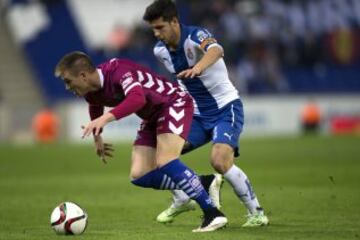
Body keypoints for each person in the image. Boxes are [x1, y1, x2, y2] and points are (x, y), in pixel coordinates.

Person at [54, 51, 227, 232]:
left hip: (172, 103)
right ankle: (202, 182)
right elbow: (95, 103)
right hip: (151, 115)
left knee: (166, 161)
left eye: (68, 81)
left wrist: (105, 119)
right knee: (139, 175)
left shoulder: (118, 71)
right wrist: (98, 136)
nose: (67, 87)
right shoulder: (90, 90)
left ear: (82, 76)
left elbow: (137, 98)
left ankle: (213, 214)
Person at [143, 0, 269, 227]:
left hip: (225, 108)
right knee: (159, 156)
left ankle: (257, 213)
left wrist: (199, 67)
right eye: (153, 29)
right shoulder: (159, 51)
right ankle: (182, 198)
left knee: (219, 160)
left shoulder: (196, 35)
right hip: (196, 116)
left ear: (174, 22)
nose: (156, 33)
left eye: (160, 27)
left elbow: (216, 49)